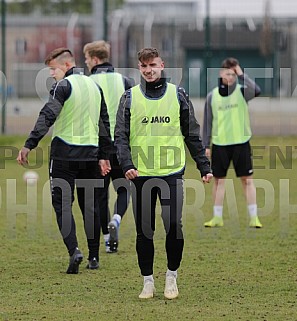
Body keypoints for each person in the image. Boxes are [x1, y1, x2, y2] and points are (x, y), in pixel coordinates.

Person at [114, 47, 212, 299]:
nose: (149, 70)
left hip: (171, 172)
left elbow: (192, 133)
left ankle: (171, 277)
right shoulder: (129, 97)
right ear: (139, 68)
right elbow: (121, 137)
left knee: (173, 225)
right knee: (144, 230)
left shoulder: (178, 94)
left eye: (153, 65)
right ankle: (147, 281)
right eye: (144, 66)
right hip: (140, 174)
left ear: (162, 65)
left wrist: (204, 165)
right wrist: (126, 165)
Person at [17, 48, 111, 273]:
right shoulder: (95, 86)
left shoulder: (63, 87)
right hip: (90, 155)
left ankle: (74, 251)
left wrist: (29, 144)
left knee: (62, 206)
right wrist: (104, 155)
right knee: (90, 207)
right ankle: (94, 257)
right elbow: (104, 123)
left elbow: (47, 116)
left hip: (64, 156)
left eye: (52, 69)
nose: (50, 74)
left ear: (67, 65)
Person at [83, 40, 134, 253]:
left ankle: (107, 241)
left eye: (86, 59)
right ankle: (117, 218)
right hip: (122, 145)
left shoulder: (86, 83)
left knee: (100, 195)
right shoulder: (124, 80)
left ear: (94, 59)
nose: (85, 63)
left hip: (98, 148)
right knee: (123, 189)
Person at [202, 57, 262, 228]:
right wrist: (206, 145)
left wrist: (241, 73)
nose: (230, 77)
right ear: (221, 74)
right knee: (219, 181)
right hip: (220, 144)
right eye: (228, 73)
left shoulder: (242, 92)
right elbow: (207, 123)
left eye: (233, 74)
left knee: (247, 180)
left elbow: (257, 90)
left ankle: (253, 217)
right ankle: (217, 217)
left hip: (241, 143)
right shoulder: (212, 96)